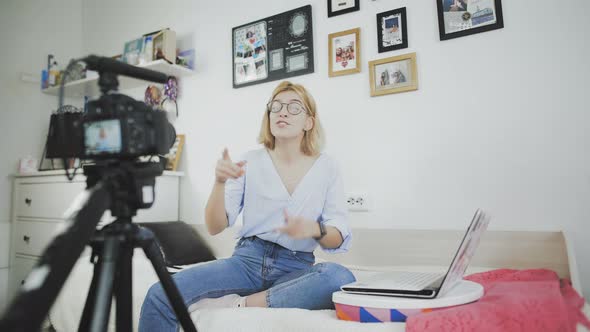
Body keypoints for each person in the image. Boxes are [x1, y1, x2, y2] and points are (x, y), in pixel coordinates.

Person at [139, 81, 355, 331]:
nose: (282, 112)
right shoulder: (249, 161)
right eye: (276, 106)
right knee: (159, 294)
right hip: (246, 263)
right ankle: (270, 299)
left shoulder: (327, 167)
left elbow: (338, 237)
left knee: (338, 278)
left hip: (295, 267)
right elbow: (214, 226)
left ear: (309, 122)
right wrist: (219, 183)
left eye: (294, 107)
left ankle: (243, 304)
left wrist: (315, 230)